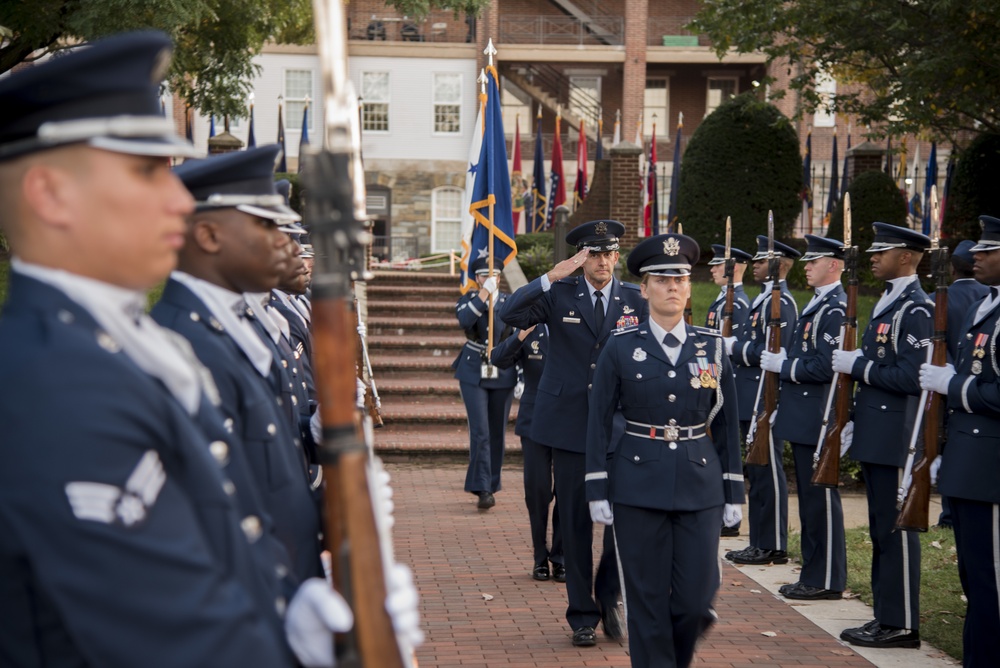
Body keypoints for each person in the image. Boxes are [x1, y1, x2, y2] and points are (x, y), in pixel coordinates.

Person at [0, 31, 355, 667]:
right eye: (144, 171)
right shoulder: (53, 382)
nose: (176, 198)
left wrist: (293, 604)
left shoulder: (109, 348)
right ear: (51, 194)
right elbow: (175, 637)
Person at [151, 145, 324, 581]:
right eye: (265, 224)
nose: (286, 244)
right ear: (209, 237)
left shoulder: (233, 323)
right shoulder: (184, 342)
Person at [586, 233, 744, 667]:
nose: (672, 286)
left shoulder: (712, 347)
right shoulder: (621, 347)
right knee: (647, 603)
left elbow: (728, 424)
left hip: (700, 483)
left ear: (689, 287)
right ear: (644, 289)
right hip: (638, 484)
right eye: (661, 279)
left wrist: (734, 491)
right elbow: (599, 420)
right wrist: (597, 487)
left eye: (679, 278)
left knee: (694, 602)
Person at [500, 219, 647, 647]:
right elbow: (509, 312)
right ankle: (582, 614)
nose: (602, 261)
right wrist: (551, 276)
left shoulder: (634, 300)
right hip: (567, 426)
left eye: (608, 253)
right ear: (580, 257)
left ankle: (611, 597)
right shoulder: (559, 293)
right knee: (576, 524)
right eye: (593, 254)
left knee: (624, 524)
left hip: (621, 428)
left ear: (617, 256)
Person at [832, 222, 931, 649]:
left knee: (895, 532)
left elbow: (911, 377)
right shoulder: (889, 302)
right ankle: (886, 615)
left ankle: (902, 623)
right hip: (877, 431)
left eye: (882, 251)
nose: (873, 256)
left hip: (897, 439)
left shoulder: (917, 309)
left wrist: (858, 366)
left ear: (906, 256)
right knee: (879, 531)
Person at [919, 215, 1000, 666]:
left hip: (990, 471)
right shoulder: (986, 305)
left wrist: (952, 384)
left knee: (992, 584)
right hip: (970, 464)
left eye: (990, 250)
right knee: (974, 582)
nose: (977, 256)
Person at [762, 235, 848, 600]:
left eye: (814, 261)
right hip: (802, 416)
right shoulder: (819, 305)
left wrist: (785, 367)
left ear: (834, 265)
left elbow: (826, 366)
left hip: (818, 417)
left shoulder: (836, 308)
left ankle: (826, 578)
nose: (806, 266)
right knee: (810, 505)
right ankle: (814, 574)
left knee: (821, 503)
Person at [724, 236, 799, 565]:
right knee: (758, 470)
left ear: (779, 264)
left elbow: (772, 351)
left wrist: (735, 349)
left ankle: (774, 544)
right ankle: (759, 540)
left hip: (767, 397)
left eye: (761, 260)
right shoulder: (765, 299)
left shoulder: (782, 303)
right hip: (753, 395)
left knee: (769, 471)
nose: (754, 265)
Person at [491, 324, 565, 582]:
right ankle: (539, 554)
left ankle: (560, 556)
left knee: (567, 491)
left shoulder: (576, 324)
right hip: (534, 421)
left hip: (570, 419)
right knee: (538, 490)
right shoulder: (530, 330)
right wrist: (521, 333)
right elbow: (499, 358)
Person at [453, 257, 517, 509]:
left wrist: (520, 374)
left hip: (502, 368)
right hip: (473, 368)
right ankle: (482, 489)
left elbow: (517, 336)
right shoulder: (468, 300)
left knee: (497, 431)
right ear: (476, 278)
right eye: (483, 275)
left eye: (493, 276)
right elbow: (464, 321)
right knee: (480, 431)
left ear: (500, 277)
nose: (489, 279)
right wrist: (482, 295)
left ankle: (491, 482)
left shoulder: (509, 303)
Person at [934, 239, 988, 529]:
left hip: (950, 383)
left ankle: (949, 514)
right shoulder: (986, 296)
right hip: (969, 386)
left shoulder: (940, 297)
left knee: (948, 444)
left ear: (952, 268)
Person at [705, 243, 752, 336]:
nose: (712, 270)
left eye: (718, 265)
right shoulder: (723, 298)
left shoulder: (738, 304)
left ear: (733, 267)